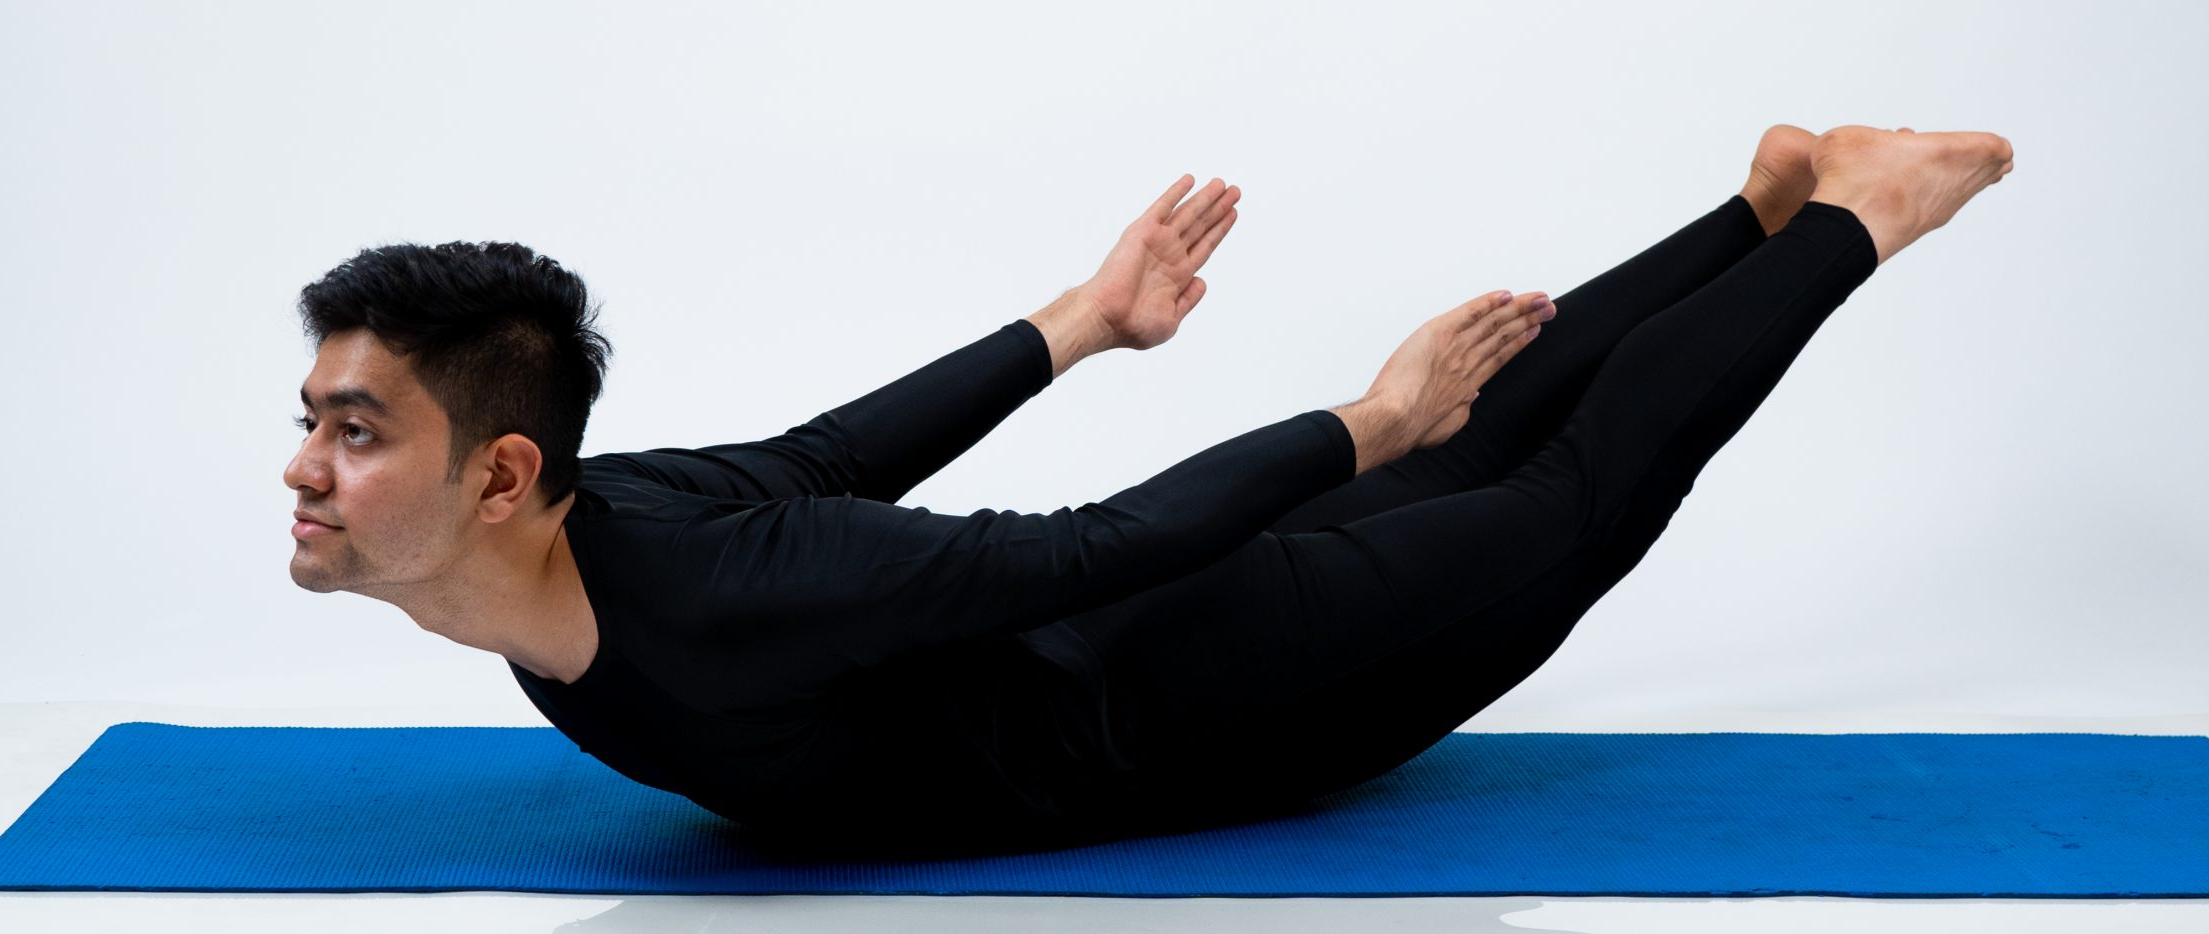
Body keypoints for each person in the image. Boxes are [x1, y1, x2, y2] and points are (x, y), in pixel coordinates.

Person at [282, 123, 2014, 859]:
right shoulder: (601, 529)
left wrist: (1364, 418)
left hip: (1209, 698)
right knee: (1502, 460)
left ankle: (1872, 206)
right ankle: (1760, 208)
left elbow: (1085, 544)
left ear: (503, 471)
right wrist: (1082, 324)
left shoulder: (712, 595)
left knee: (1566, 506)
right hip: (1158, 642)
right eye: (318, 420)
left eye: (355, 430)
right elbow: (824, 454)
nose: (305, 466)